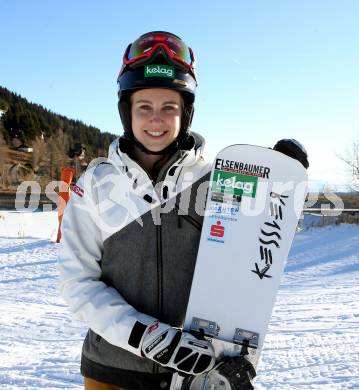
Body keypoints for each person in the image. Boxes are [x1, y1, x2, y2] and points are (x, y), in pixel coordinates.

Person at [58, 31, 309, 390]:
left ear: (186, 112)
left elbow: (259, 244)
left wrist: (279, 186)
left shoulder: (216, 180)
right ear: (126, 110)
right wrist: (146, 337)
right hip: (113, 372)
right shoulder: (96, 185)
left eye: (169, 108)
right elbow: (77, 283)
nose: (156, 120)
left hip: (193, 376)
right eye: (144, 107)